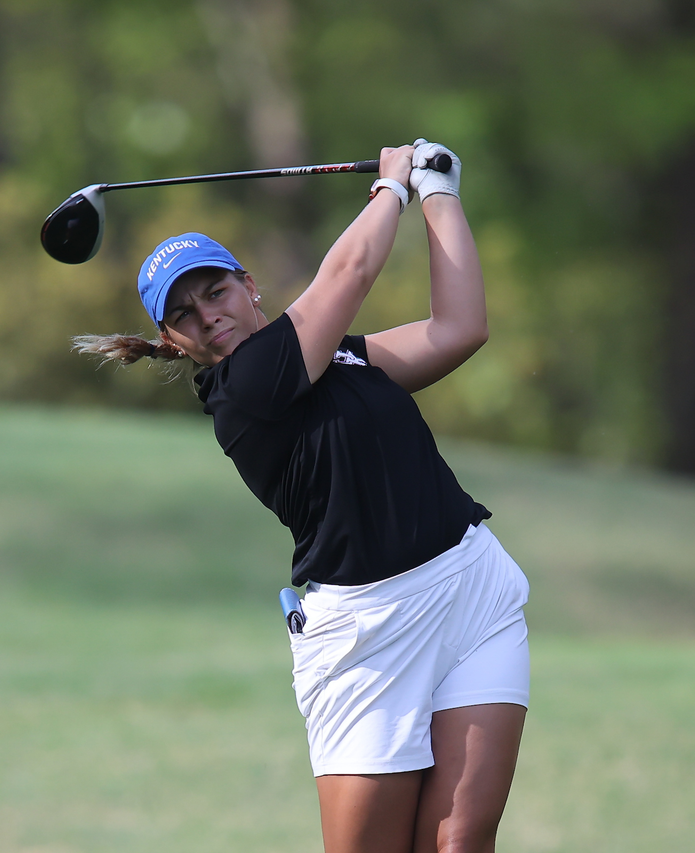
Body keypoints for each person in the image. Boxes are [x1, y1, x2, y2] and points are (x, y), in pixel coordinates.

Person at [74, 141, 530, 853]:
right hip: (367, 634)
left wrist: (441, 192)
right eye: (186, 313)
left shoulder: (342, 355)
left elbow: (458, 329)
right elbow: (350, 269)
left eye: (215, 291)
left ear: (247, 284)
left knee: (462, 843)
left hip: (473, 589)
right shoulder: (242, 391)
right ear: (173, 339)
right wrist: (392, 189)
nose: (208, 315)